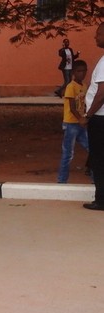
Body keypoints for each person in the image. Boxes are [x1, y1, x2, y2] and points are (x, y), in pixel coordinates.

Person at [57, 61, 89, 183]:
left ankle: (93, 176)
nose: (82, 73)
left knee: (92, 149)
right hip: (71, 124)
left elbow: (84, 104)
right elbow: (72, 107)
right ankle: (62, 180)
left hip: (80, 124)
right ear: (74, 72)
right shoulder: (71, 86)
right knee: (68, 153)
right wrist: (80, 118)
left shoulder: (84, 86)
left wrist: (85, 116)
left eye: (84, 71)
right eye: (79, 71)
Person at [83, 24, 104, 210]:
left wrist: (88, 115)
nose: (95, 37)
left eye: (98, 33)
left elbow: (101, 93)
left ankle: (101, 200)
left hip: (99, 119)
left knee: (98, 159)